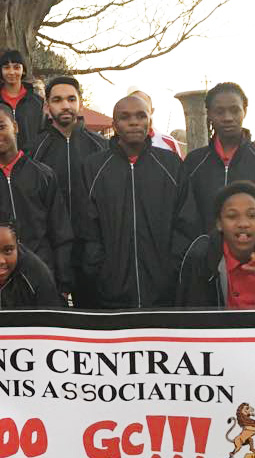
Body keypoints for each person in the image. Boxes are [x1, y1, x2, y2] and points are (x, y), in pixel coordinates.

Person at [81, 95, 185, 309]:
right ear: (114, 125)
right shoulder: (94, 167)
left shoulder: (171, 165)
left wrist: (172, 268)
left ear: (149, 121)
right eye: (125, 117)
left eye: (140, 116)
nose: (134, 122)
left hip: (163, 292)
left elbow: (184, 222)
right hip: (112, 293)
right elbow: (87, 229)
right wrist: (101, 271)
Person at [0, 103, 73, 298]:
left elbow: (60, 231)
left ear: (15, 126)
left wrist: (63, 281)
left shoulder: (43, 174)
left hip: (42, 274)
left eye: (1, 126)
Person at [30, 76, 107, 291]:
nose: (65, 105)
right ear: (47, 106)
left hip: (93, 252)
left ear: (80, 103)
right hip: (50, 253)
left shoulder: (102, 147)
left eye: (71, 99)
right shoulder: (34, 150)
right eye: (57, 100)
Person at [178, 83, 255, 237]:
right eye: (219, 112)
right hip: (208, 251)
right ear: (209, 114)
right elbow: (187, 217)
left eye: (234, 110)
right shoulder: (194, 162)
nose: (227, 118)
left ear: (244, 111)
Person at [0, 50, 44, 152]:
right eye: (6, 67)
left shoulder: (37, 102)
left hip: (31, 159)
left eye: (16, 67)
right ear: (1, 71)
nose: (11, 72)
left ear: (23, 70)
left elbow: (42, 133)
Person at [127, 86, 184, 158]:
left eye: (143, 109)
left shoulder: (168, 143)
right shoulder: (117, 144)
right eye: (132, 107)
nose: (136, 113)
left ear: (151, 111)